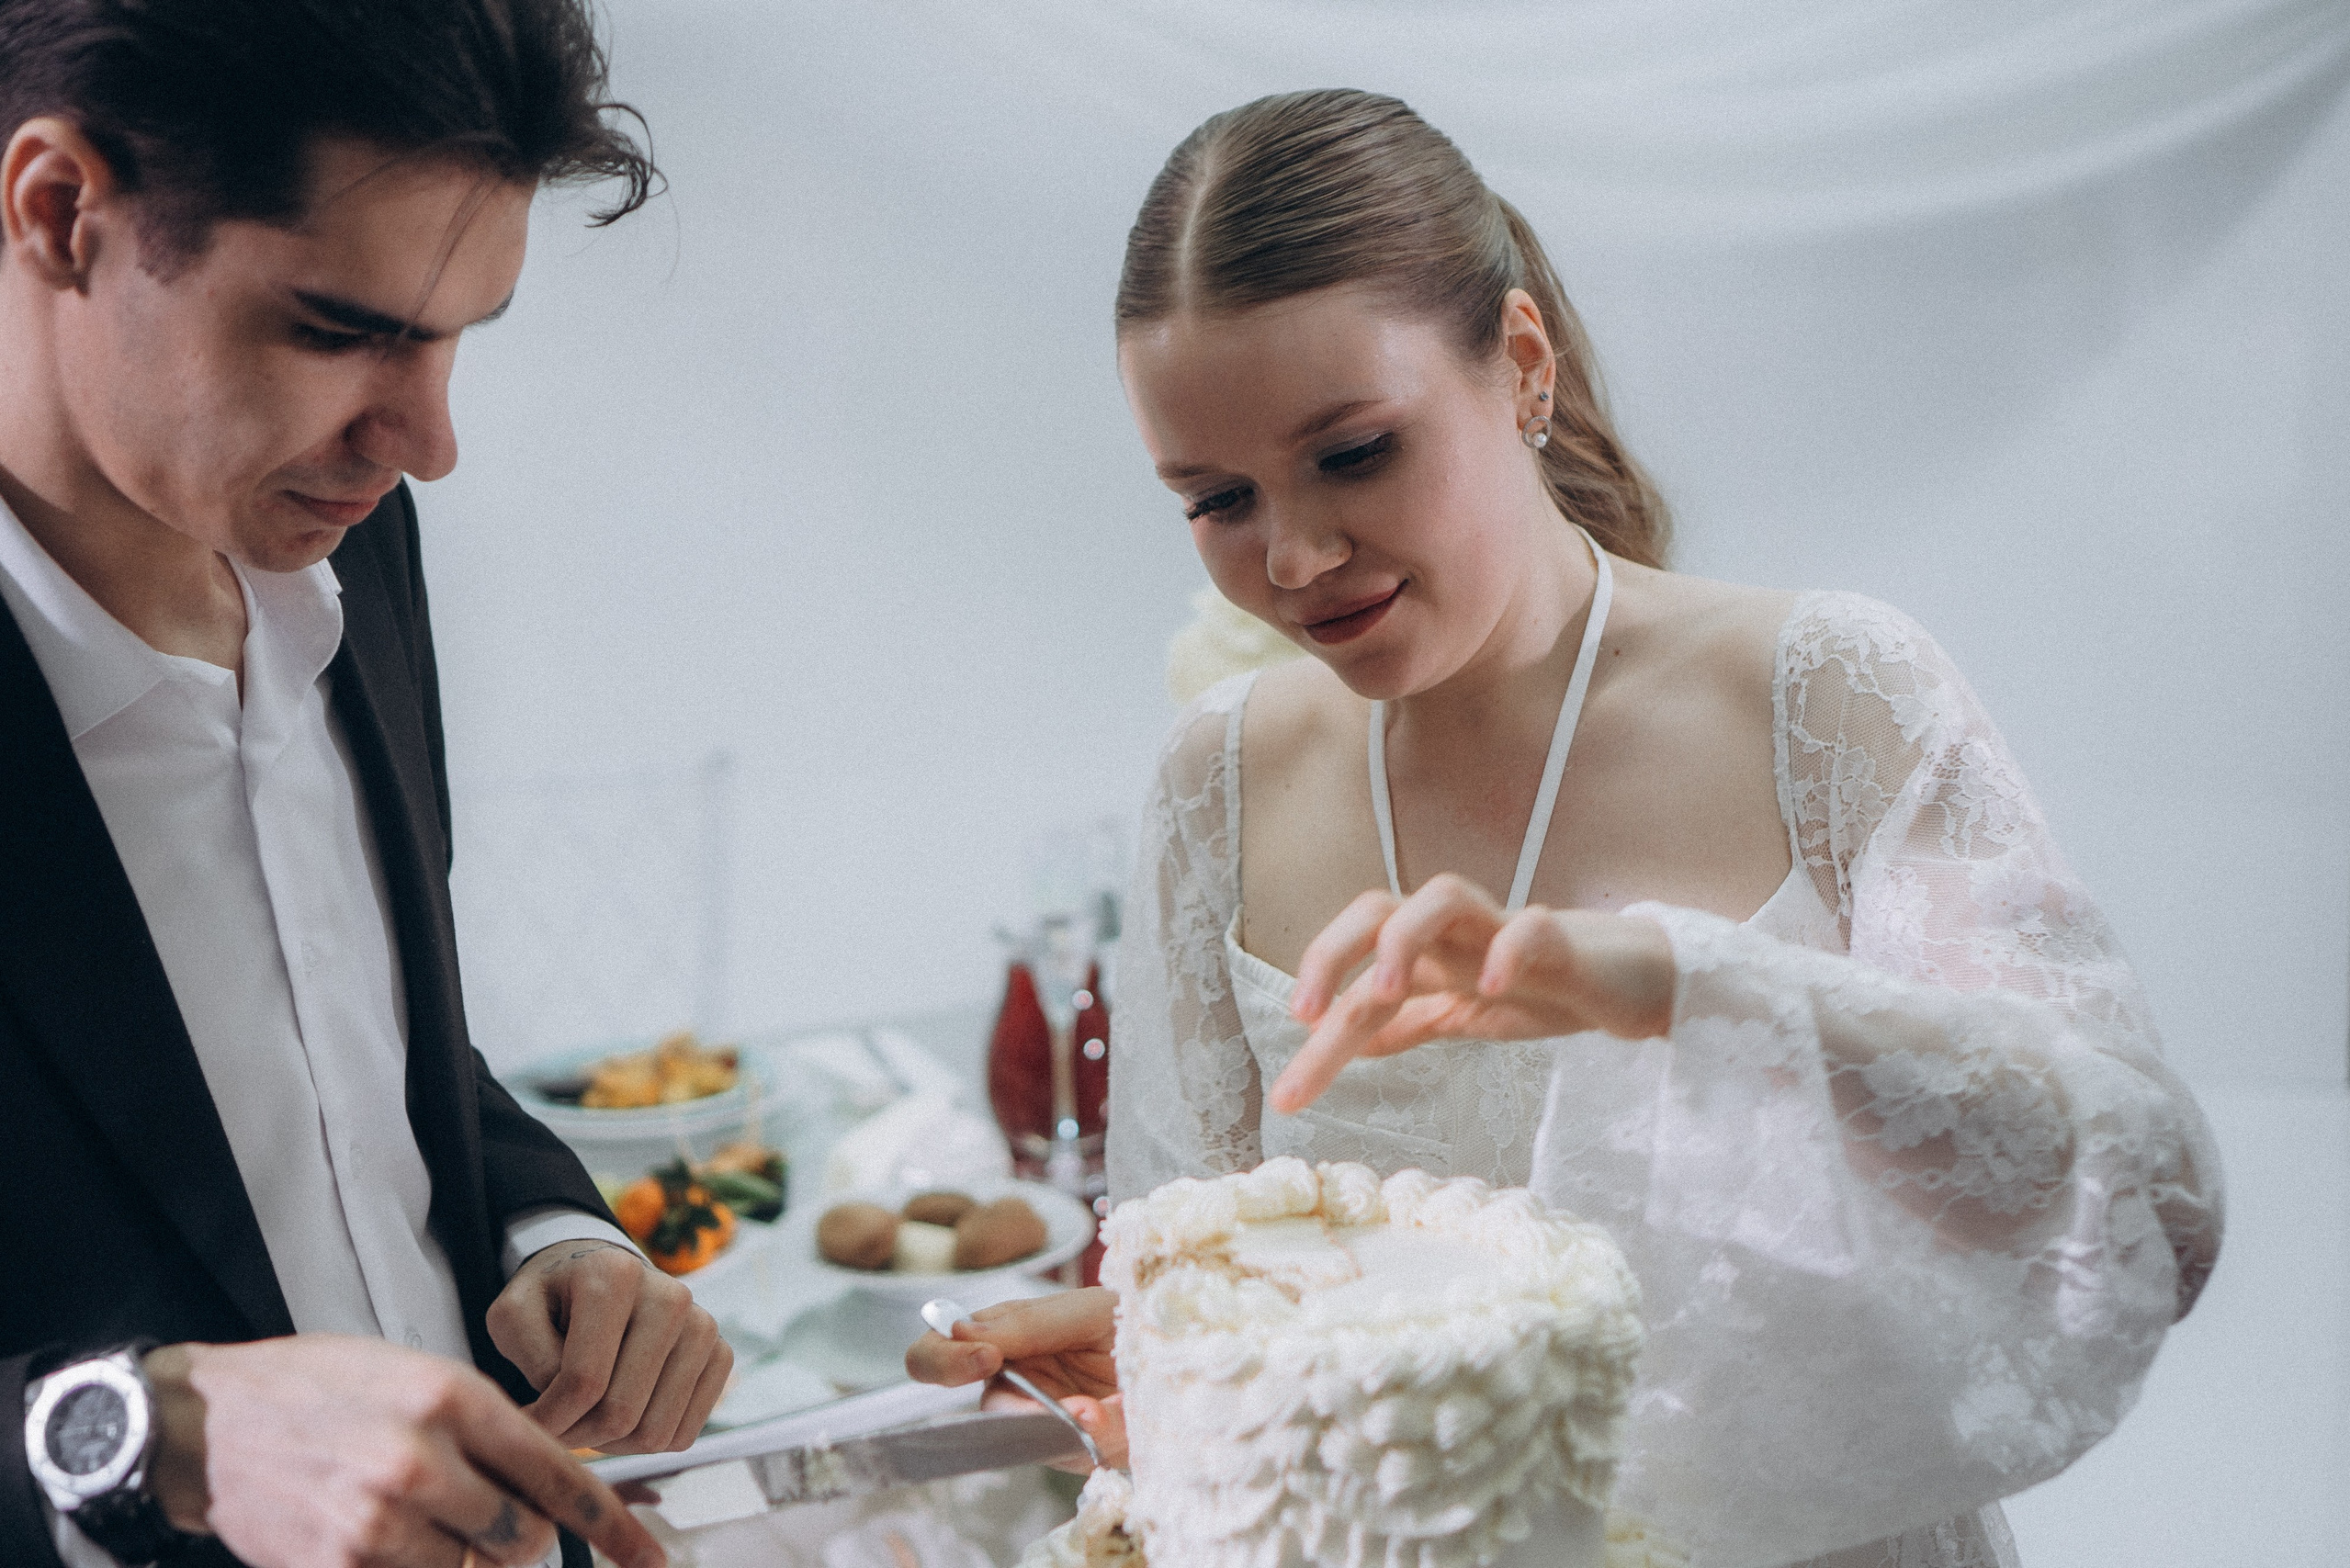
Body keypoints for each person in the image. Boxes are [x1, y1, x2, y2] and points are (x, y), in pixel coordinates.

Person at [911, 89, 2222, 1568]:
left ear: (1519, 364)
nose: (1293, 557)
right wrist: (1166, 1358)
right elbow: (1226, 1281)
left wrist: (1675, 989)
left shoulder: (1828, 698)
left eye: (1354, 454)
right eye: (1216, 498)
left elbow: (2148, 1197)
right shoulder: (1215, 779)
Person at [0, 5, 728, 1566]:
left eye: (457, 332)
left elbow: (367, 1045)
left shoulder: (345, 527)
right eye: (338, 331)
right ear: (62, 214)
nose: (428, 440)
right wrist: (146, 1436)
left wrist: (553, 1226)